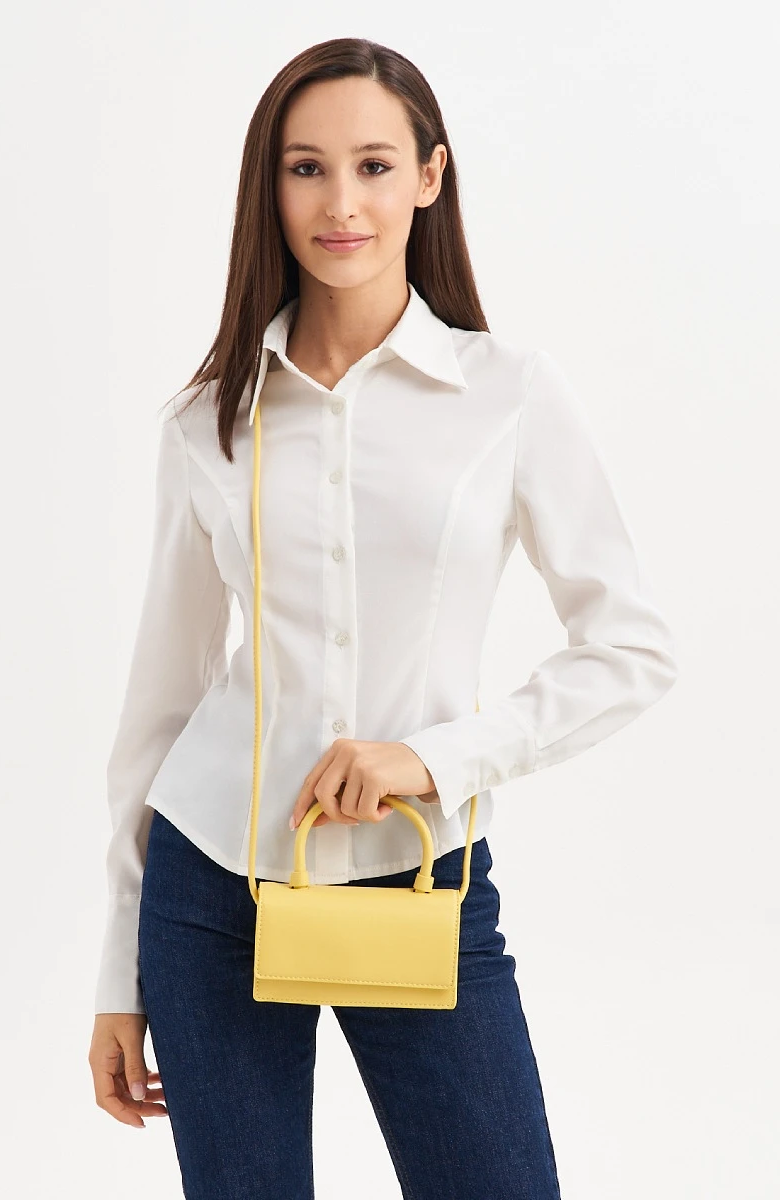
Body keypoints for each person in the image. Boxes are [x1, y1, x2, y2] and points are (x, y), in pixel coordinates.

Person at [88, 36, 677, 1200]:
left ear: (429, 176)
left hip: (421, 876)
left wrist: (433, 758)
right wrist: (118, 968)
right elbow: (160, 705)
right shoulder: (208, 421)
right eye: (306, 169)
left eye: (372, 165)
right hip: (211, 892)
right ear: (271, 187)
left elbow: (631, 648)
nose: (340, 204)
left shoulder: (507, 394)